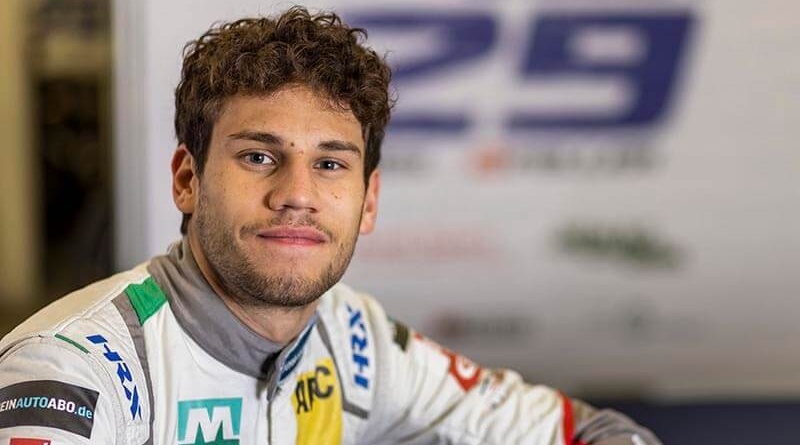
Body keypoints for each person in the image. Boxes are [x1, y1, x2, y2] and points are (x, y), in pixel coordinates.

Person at [0, 6, 662, 445]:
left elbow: (587, 430)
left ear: (368, 200)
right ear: (187, 179)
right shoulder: (74, 371)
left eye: (330, 164)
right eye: (259, 157)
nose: (297, 195)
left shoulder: (353, 336)